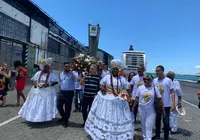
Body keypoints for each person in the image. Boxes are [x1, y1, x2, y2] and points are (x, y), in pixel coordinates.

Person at [84, 59, 134, 140]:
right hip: (106, 99)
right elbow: (101, 85)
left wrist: (127, 95)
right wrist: (102, 88)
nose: (114, 71)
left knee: (117, 118)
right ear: (111, 70)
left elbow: (128, 87)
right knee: (106, 117)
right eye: (113, 69)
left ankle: (115, 135)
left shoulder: (122, 79)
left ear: (119, 70)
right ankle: (102, 134)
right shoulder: (107, 77)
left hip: (118, 101)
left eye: (116, 69)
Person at [132, 73, 164, 140]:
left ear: (151, 80)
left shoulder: (154, 88)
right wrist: (133, 107)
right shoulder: (140, 88)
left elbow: (159, 99)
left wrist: (163, 109)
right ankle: (145, 138)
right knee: (143, 125)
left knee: (149, 126)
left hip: (151, 110)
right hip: (141, 109)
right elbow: (137, 98)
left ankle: (148, 138)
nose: (146, 80)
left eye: (148, 79)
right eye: (144, 79)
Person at [152, 65, 175, 140]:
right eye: (156, 71)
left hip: (166, 105)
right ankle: (157, 135)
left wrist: (173, 104)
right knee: (157, 121)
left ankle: (166, 137)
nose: (157, 72)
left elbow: (172, 93)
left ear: (163, 71)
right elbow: (152, 92)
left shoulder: (168, 80)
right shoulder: (154, 80)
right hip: (157, 105)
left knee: (166, 123)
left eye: (158, 70)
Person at [57, 62, 76, 127]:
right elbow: (60, 82)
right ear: (64, 67)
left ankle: (65, 121)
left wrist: (72, 73)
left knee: (67, 108)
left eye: (68, 66)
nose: (67, 67)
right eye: (66, 66)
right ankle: (64, 117)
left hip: (69, 93)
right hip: (62, 92)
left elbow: (75, 79)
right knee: (59, 105)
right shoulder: (61, 74)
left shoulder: (72, 73)